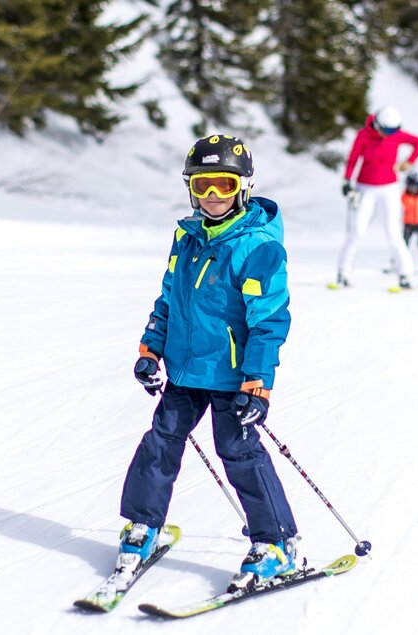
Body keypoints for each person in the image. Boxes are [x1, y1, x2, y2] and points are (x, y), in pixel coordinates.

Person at [121, 133, 299, 592]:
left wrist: (257, 382)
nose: (213, 196)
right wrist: (150, 348)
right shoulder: (186, 236)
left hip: (232, 377)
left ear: (243, 187)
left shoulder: (257, 246)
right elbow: (169, 300)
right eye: (202, 186)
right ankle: (143, 527)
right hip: (183, 370)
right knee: (159, 444)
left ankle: (276, 543)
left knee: (239, 453)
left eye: (222, 184)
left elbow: (269, 321)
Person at [336, 106, 418, 290]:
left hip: (389, 189)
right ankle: (343, 273)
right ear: (377, 124)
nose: (390, 134)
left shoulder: (396, 135)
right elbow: (353, 159)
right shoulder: (363, 135)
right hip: (365, 188)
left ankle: (405, 275)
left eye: (394, 130)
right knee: (357, 231)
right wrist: (347, 180)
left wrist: (408, 163)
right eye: (387, 130)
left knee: (393, 233)